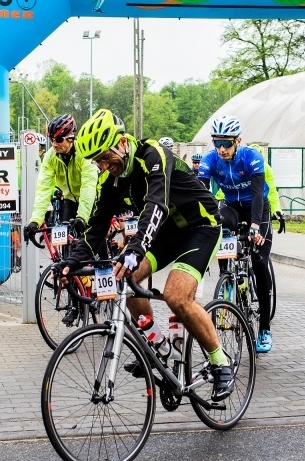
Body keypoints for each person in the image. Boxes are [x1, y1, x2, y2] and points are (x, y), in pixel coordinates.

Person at [60, 109, 234, 401]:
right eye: (97, 161)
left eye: (105, 157)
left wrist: (136, 247)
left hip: (200, 227)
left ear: (122, 144)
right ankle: (158, 344)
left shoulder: (153, 154)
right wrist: (73, 261)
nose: (102, 166)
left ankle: (220, 361)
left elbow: (156, 205)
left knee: (176, 297)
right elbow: (97, 225)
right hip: (166, 234)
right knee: (123, 277)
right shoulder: (113, 179)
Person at [197, 115, 274, 354]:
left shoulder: (252, 157)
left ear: (238, 141)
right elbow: (201, 191)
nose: (221, 149)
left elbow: (259, 194)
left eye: (226, 144)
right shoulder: (211, 159)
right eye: (217, 143)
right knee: (219, 223)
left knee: (260, 263)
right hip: (231, 207)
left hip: (256, 208)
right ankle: (228, 278)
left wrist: (255, 227)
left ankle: (264, 327)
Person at [23, 114, 99, 324]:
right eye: (51, 140)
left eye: (58, 140)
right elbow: (43, 189)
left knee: (93, 244)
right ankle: (75, 305)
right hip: (69, 200)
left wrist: (83, 216)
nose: (54, 144)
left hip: (93, 199)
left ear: (71, 138)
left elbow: (88, 186)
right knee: (67, 250)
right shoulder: (50, 157)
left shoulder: (84, 153)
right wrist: (35, 221)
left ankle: (102, 285)